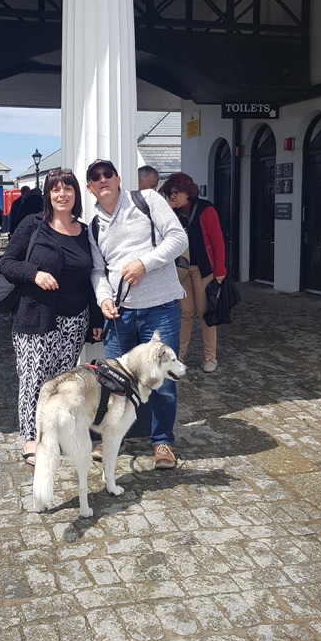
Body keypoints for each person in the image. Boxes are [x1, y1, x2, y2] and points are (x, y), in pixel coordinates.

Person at [87, 158, 188, 469]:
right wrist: (103, 298)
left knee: (163, 381)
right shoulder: (94, 225)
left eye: (108, 174)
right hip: (121, 315)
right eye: (95, 177)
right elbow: (97, 270)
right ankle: (111, 437)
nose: (103, 179)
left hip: (160, 309)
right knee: (116, 382)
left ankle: (162, 444)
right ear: (90, 187)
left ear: (118, 179)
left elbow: (178, 239)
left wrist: (146, 263)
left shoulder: (147, 200)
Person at [0, 169, 103, 466]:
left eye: (67, 189)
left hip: (74, 320)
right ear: (48, 195)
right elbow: (7, 263)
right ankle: (33, 438)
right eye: (55, 189)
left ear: (76, 194)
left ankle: (54, 434)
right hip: (35, 319)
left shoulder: (85, 232)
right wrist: (34, 274)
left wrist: (95, 320)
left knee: (61, 383)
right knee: (34, 380)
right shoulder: (33, 225)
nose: (62, 194)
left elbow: (92, 277)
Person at [161, 173, 226, 373]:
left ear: (186, 191)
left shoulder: (206, 209)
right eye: (169, 194)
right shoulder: (173, 213)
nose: (172, 197)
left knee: (205, 314)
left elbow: (218, 241)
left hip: (203, 270)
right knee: (185, 314)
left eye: (175, 193)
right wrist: (169, 213)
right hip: (181, 270)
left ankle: (210, 357)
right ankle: (178, 358)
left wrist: (220, 271)